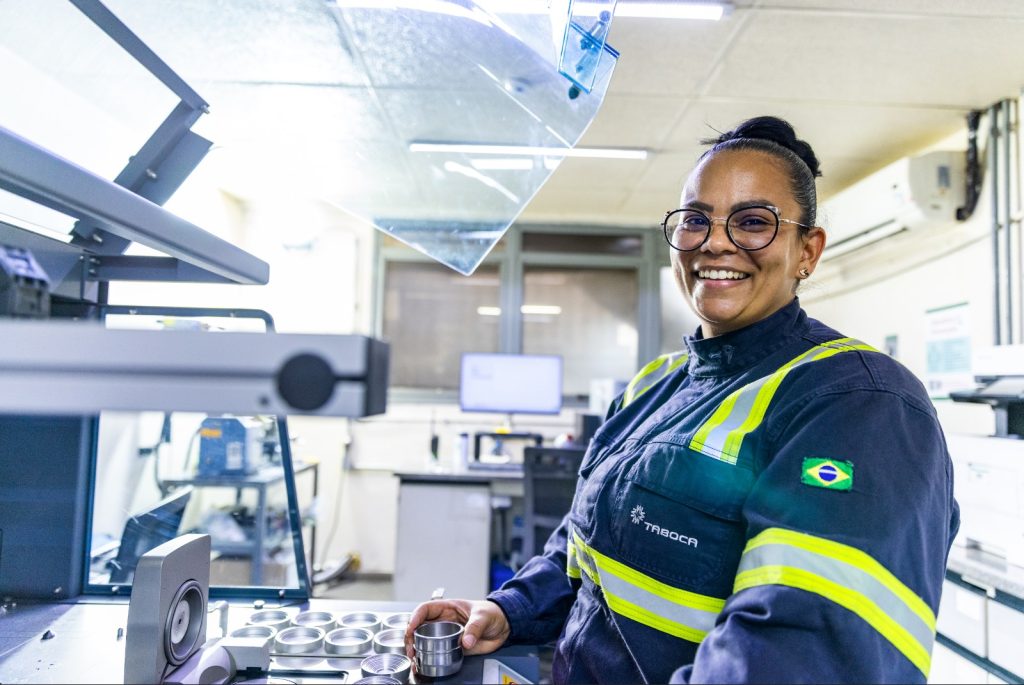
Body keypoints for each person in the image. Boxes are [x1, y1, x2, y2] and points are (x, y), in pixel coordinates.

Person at [405, 116, 960, 684]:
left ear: (807, 251)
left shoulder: (859, 403)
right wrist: (510, 609)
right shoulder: (654, 385)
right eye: (696, 220)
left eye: (753, 221)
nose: (715, 242)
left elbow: (797, 656)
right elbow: (584, 545)